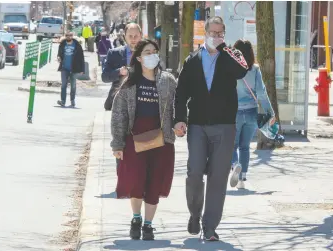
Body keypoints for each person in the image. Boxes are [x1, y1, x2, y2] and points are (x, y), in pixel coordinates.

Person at [174, 16, 248, 241]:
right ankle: (195, 214)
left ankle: (210, 226)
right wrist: (179, 119)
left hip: (224, 125)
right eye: (212, 33)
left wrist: (225, 48)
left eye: (220, 33)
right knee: (195, 173)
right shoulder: (193, 59)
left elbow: (243, 70)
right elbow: (181, 92)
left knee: (218, 177)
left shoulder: (231, 56)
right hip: (197, 125)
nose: (215, 37)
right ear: (204, 33)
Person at [111, 39, 177, 241]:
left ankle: (149, 225)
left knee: (155, 182)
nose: (152, 55)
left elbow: (178, 107)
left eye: (155, 51)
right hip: (135, 137)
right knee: (136, 181)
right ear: (139, 58)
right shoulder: (130, 83)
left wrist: (180, 124)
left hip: (161, 138)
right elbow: (119, 114)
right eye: (147, 52)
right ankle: (136, 218)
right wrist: (117, 143)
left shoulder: (168, 80)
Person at [229, 39, 275, 189]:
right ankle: (242, 179)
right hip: (251, 112)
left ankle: (235, 165)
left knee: (232, 145)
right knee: (245, 146)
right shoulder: (255, 69)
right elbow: (261, 93)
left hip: (234, 112)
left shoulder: (230, 68)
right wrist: (270, 112)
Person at [103, 23, 142, 111]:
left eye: (136, 36)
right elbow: (104, 77)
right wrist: (119, 72)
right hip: (119, 103)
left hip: (141, 102)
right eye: (130, 36)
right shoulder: (114, 53)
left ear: (141, 36)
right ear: (124, 36)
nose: (133, 39)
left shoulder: (148, 53)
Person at [56, 31, 85, 108]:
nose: (68, 36)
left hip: (74, 68)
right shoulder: (62, 44)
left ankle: (72, 101)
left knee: (73, 86)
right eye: (67, 35)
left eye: (70, 35)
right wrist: (59, 57)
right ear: (65, 36)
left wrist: (82, 69)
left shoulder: (77, 45)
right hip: (64, 68)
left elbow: (82, 58)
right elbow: (59, 54)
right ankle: (63, 101)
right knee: (63, 85)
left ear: (73, 36)